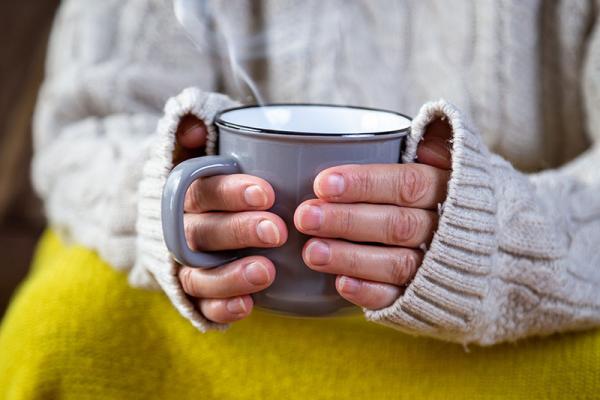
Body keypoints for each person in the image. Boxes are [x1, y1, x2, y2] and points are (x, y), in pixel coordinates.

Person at [1, 0, 599, 398]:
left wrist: (492, 237)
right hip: (219, 313)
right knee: (58, 330)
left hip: (527, 303)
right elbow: (86, 126)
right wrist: (167, 206)